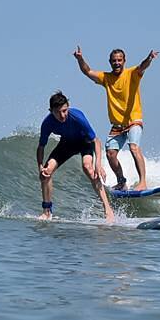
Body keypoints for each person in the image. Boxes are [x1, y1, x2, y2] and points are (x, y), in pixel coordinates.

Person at [73, 45, 158, 191]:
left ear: (124, 61)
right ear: (110, 62)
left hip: (133, 120)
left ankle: (142, 182)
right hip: (117, 125)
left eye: (119, 60)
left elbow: (142, 67)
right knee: (110, 154)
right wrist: (80, 58)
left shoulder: (132, 74)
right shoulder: (107, 78)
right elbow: (87, 71)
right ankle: (121, 181)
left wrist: (149, 58)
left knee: (133, 147)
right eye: (114, 61)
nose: (117, 63)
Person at [36, 91, 114, 222]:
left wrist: (98, 165)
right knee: (46, 172)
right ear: (51, 111)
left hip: (84, 143)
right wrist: (40, 167)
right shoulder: (47, 123)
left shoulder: (77, 117)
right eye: (58, 112)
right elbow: (41, 146)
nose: (62, 115)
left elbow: (96, 141)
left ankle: (108, 209)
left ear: (68, 106)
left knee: (88, 168)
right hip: (67, 144)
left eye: (64, 110)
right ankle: (47, 211)